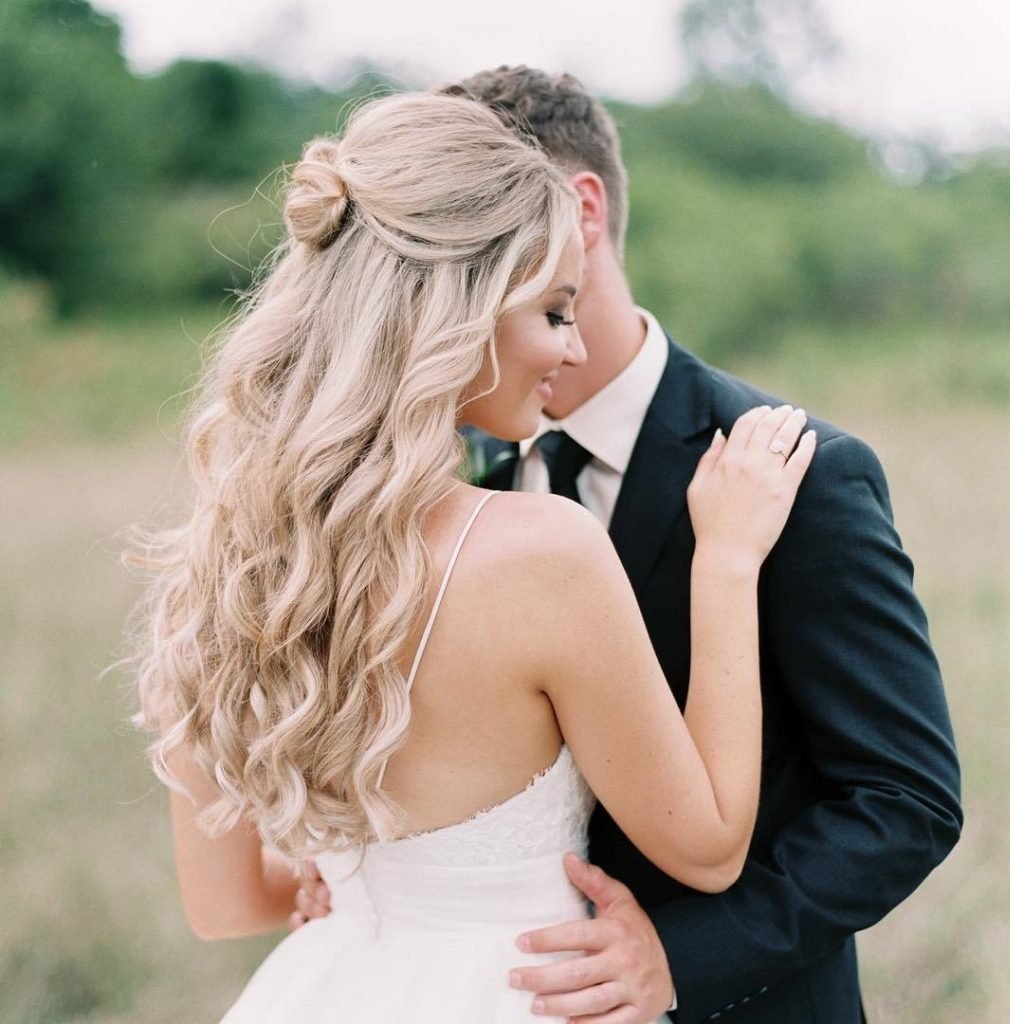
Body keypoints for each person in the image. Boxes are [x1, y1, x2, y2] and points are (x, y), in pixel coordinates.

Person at [292, 68, 964, 1023]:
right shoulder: (436, 470)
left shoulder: (794, 473)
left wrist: (685, 960)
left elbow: (907, 800)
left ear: (579, 208)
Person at [128, 91, 816, 1023]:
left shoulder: (220, 568)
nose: (571, 348)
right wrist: (726, 563)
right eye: (554, 311)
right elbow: (707, 846)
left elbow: (221, 906)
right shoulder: (541, 552)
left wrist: (361, 887)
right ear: (460, 313)